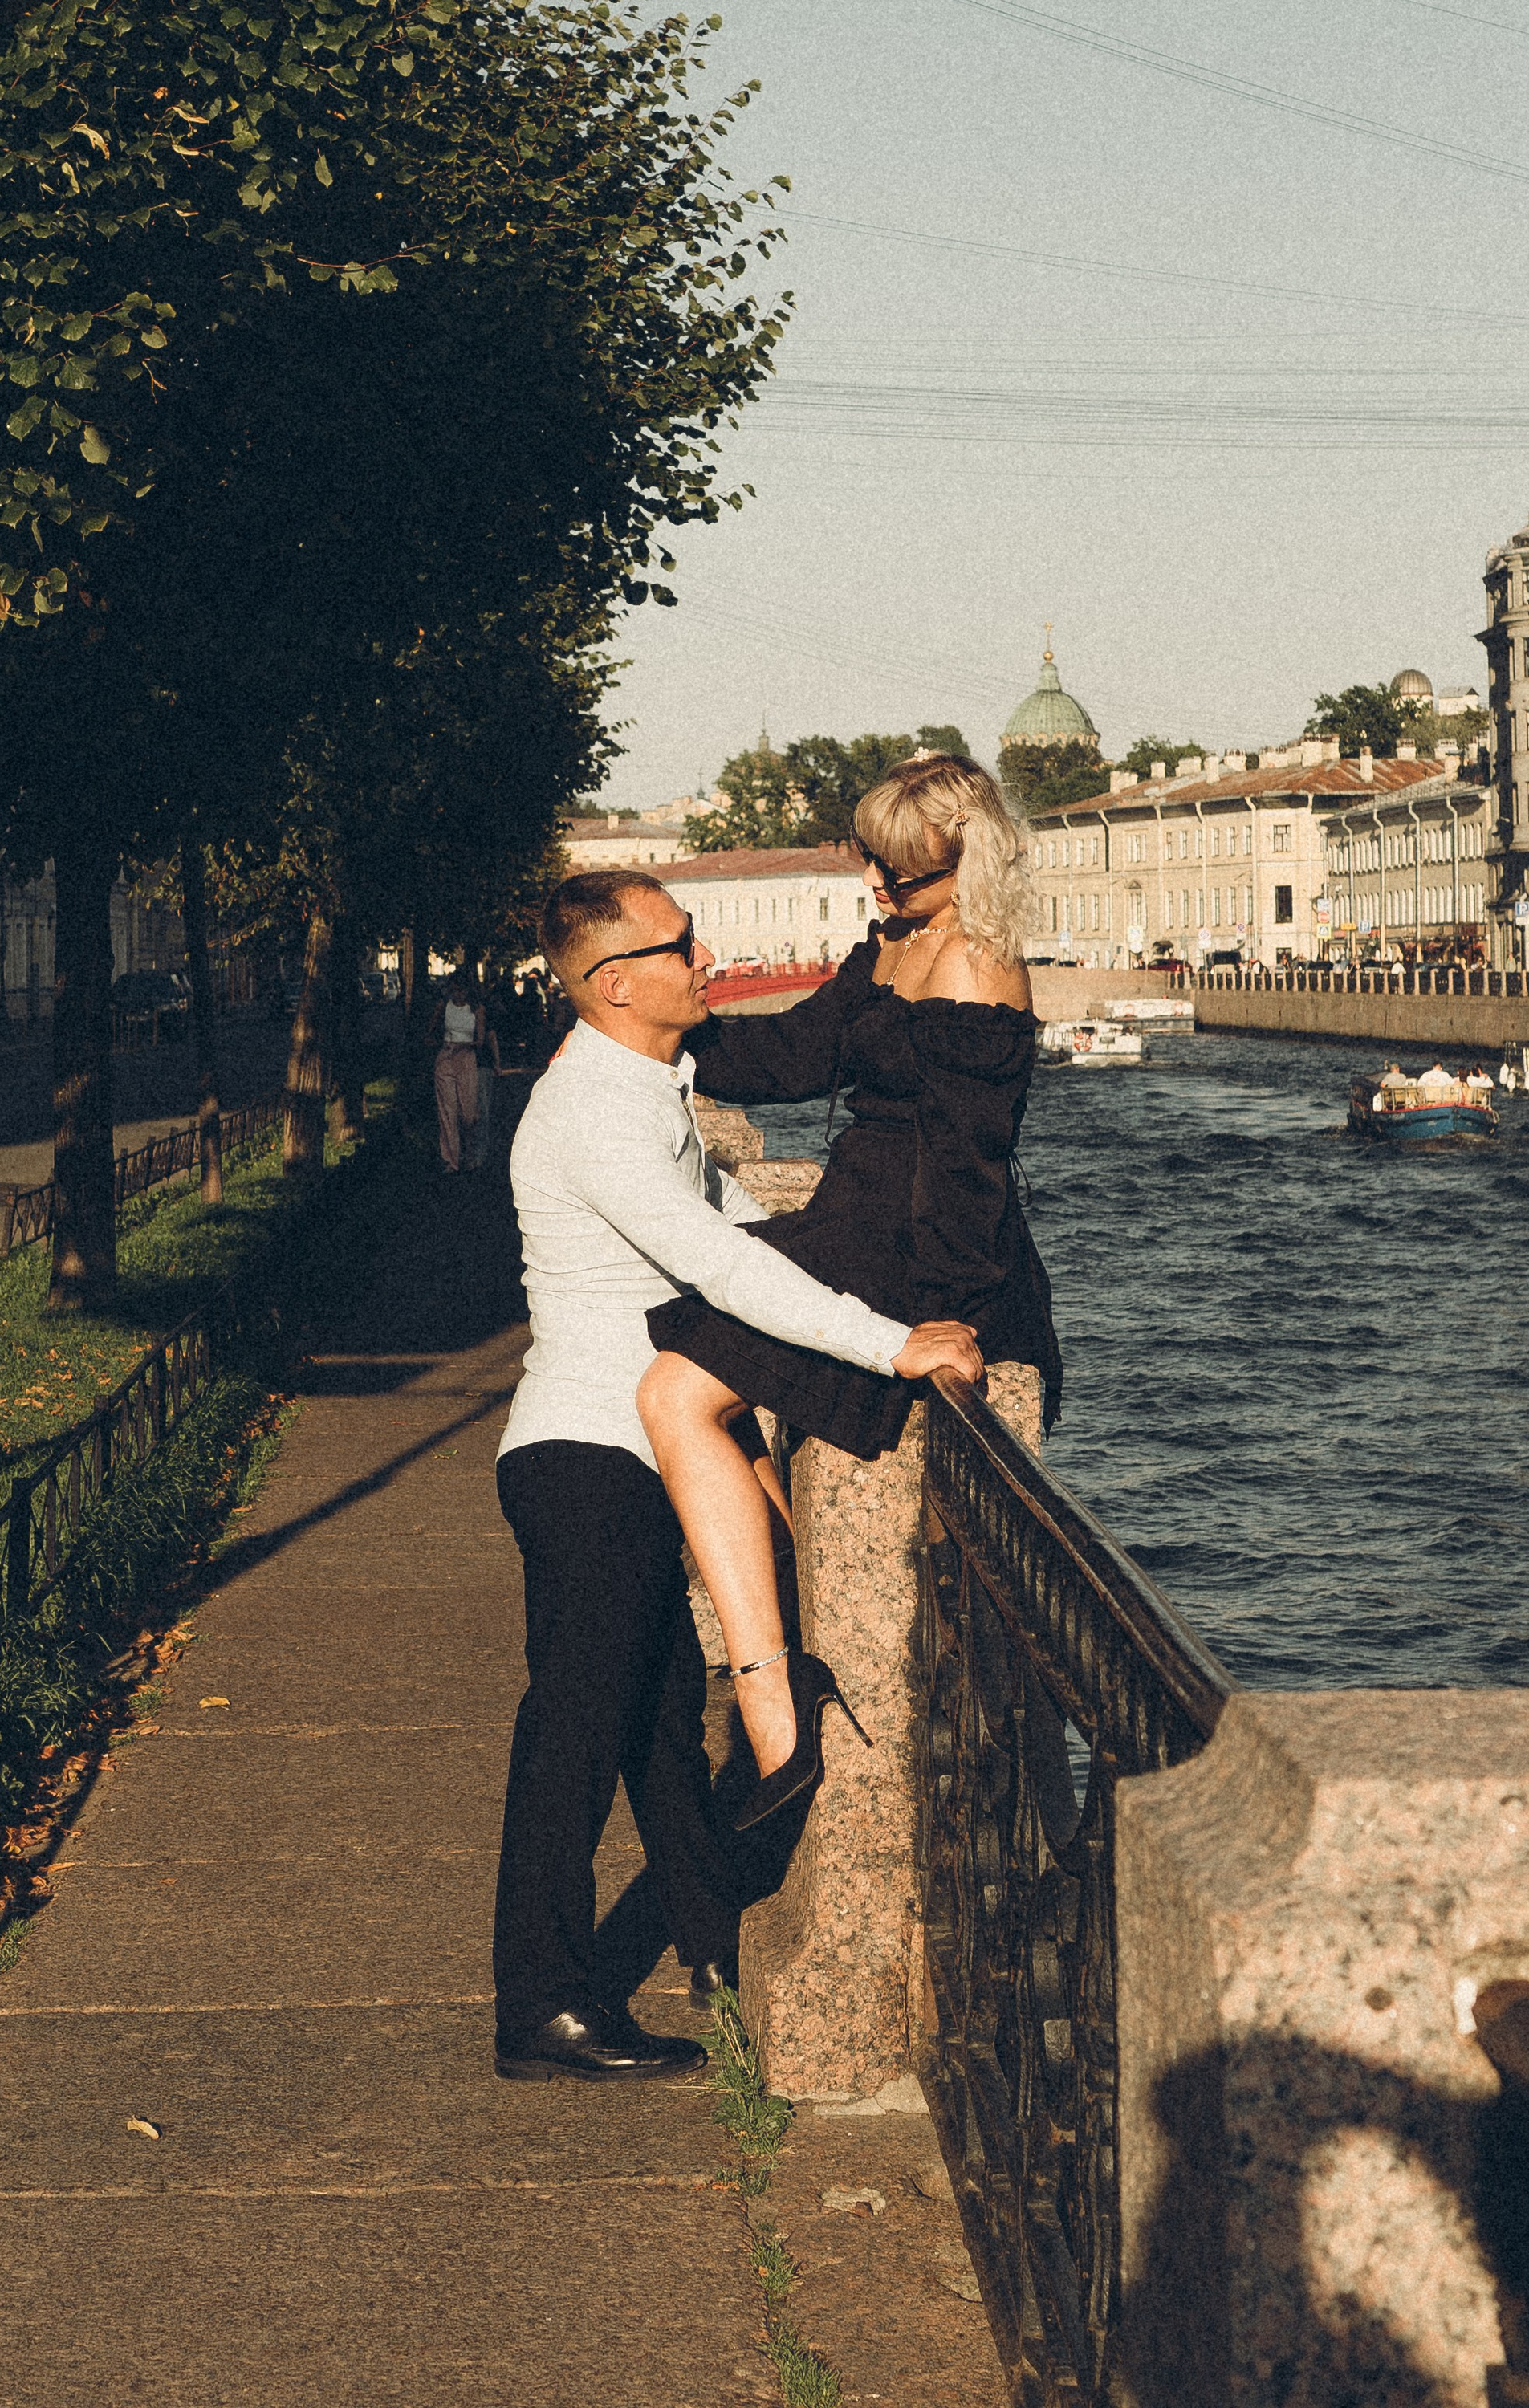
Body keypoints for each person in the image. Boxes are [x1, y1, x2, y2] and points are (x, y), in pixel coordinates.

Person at [491, 866, 983, 2084]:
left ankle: (713, 1948)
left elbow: (752, 1231)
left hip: (626, 1449)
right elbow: (722, 1268)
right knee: (577, 1728)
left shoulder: (647, 1084)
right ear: (613, 985)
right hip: (587, 1452)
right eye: (679, 943)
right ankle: (540, 2005)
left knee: (658, 1726)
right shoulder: (596, 1112)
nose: (704, 956)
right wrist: (889, 1346)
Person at [636, 752, 1059, 1832]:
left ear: (967, 867)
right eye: (871, 865)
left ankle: (776, 1696)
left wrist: (936, 1315)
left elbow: (969, 1165)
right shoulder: (894, 944)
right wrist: (665, 1034)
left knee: (680, 1391)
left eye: (900, 875)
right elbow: (794, 1054)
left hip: (920, 1255)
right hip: (852, 1223)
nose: (877, 888)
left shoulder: (979, 970)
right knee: (678, 1386)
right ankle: (785, 1644)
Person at [429, 970, 498, 1172]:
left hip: (466, 1057)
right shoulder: (444, 1007)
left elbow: (480, 1039)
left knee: (468, 1113)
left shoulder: (476, 1010)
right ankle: (451, 1160)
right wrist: (440, 1044)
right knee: (447, 1111)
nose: (458, 995)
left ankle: (468, 1152)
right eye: (454, 991)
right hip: (446, 1058)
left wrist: (464, 1046)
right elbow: (431, 1031)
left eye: (461, 991)